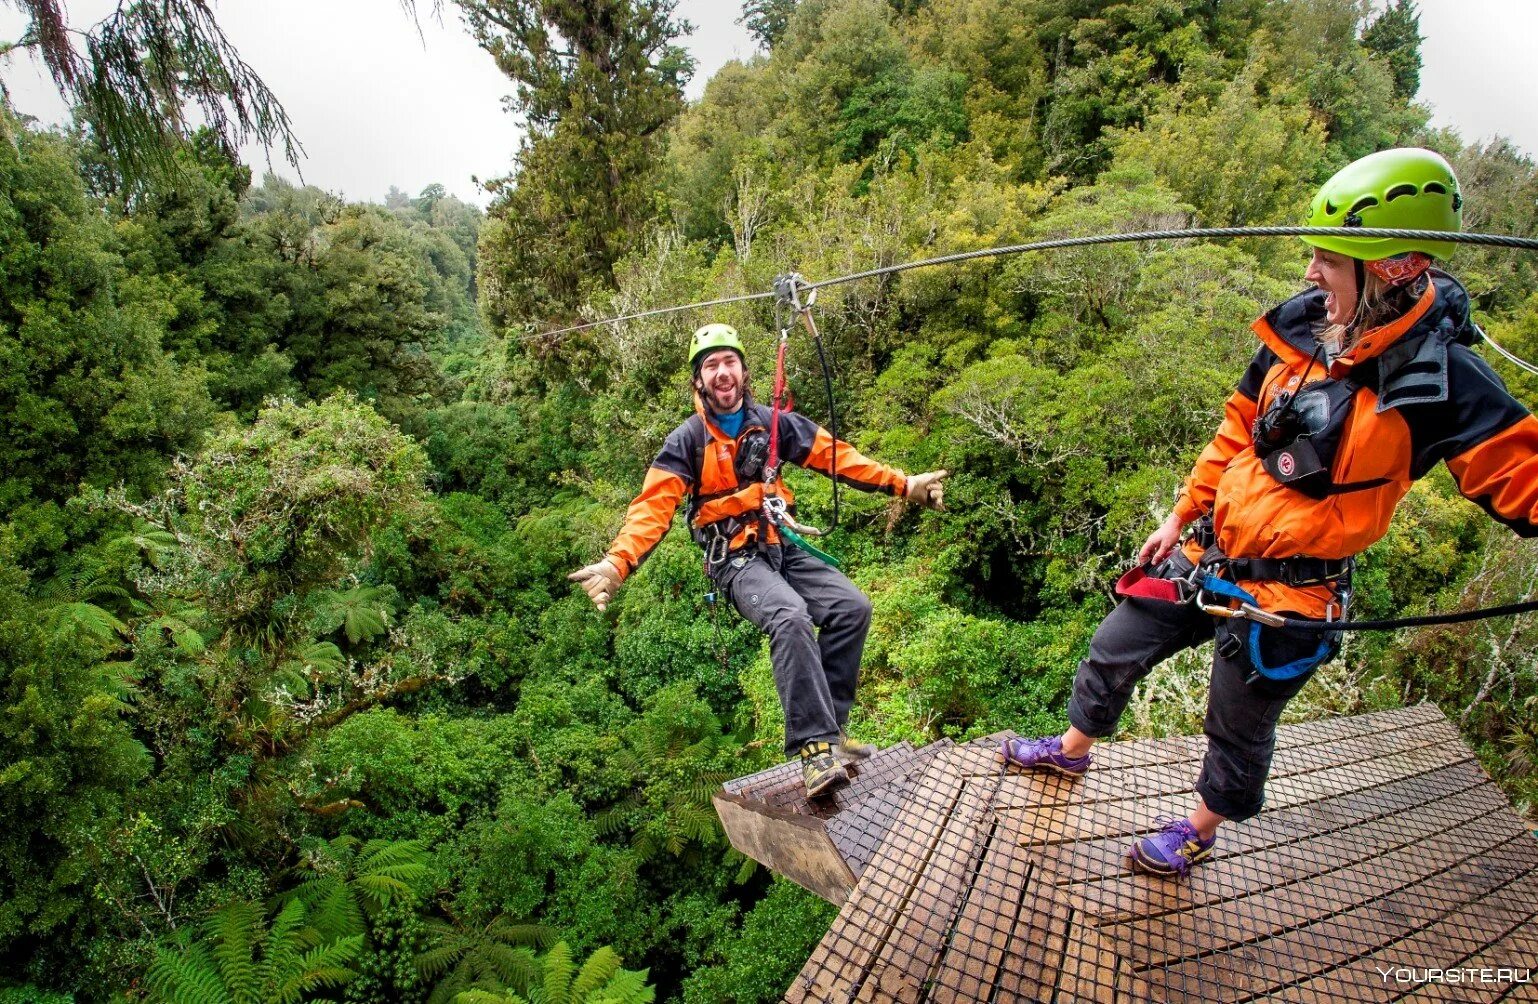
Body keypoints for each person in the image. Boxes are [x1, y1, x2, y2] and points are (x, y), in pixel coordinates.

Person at [1001, 147, 1538, 876]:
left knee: (1238, 726)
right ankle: (1070, 754)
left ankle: (1198, 830)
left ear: (1398, 267)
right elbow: (1236, 430)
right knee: (1115, 643)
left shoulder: (1442, 382)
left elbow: (1520, 474)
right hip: (1215, 552)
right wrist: (1180, 513)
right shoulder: (1303, 330)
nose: (1312, 273)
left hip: (1294, 590)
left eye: (1330, 259)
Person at [568, 323, 949, 797]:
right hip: (734, 558)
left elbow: (837, 457)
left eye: (729, 361)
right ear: (699, 382)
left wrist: (902, 483)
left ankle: (833, 733)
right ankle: (814, 752)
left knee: (852, 608)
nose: (722, 372)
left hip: (779, 543)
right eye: (711, 365)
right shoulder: (687, 441)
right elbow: (653, 507)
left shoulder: (773, 426)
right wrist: (616, 564)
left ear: (744, 372)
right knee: (790, 618)